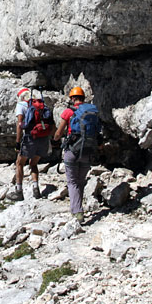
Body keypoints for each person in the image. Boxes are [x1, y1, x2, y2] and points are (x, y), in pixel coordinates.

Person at [54, 86, 99, 222]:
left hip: (72, 150)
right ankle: (78, 207)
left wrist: (55, 140)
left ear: (72, 98)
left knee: (72, 182)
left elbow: (58, 133)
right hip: (87, 151)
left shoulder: (69, 112)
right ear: (83, 98)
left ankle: (77, 212)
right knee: (80, 181)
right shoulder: (92, 111)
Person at [8, 88, 53, 200]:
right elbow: (52, 124)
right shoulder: (41, 105)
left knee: (19, 163)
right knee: (33, 163)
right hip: (43, 138)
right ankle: (36, 188)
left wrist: (18, 142)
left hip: (30, 138)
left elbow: (19, 125)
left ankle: (19, 192)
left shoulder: (21, 105)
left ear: (21, 97)